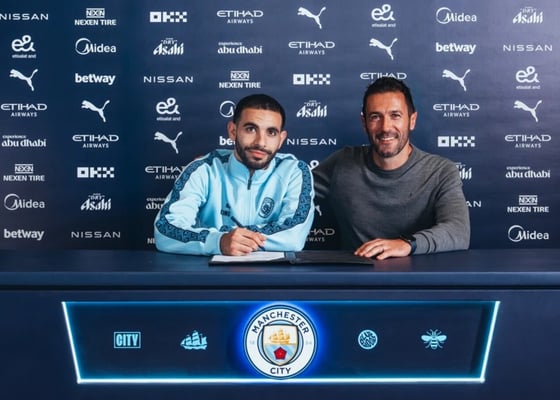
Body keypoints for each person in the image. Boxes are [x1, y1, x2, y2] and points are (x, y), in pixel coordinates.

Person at [312, 77, 470, 259]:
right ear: (364, 123)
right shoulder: (341, 163)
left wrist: (407, 244)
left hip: (420, 275)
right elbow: (293, 189)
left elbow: (458, 231)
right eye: (375, 117)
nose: (385, 127)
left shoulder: (441, 171)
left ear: (412, 120)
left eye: (395, 115)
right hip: (357, 274)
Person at [154, 94, 314, 255]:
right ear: (233, 131)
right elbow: (165, 230)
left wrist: (231, 239)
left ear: (281, 139)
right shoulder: (204, 169)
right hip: (209, 271)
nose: (260, 142)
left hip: (272, 272)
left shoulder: (294, 171)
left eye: (271, 132)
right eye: (251, 129)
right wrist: (219, 241)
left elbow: (293, 236)